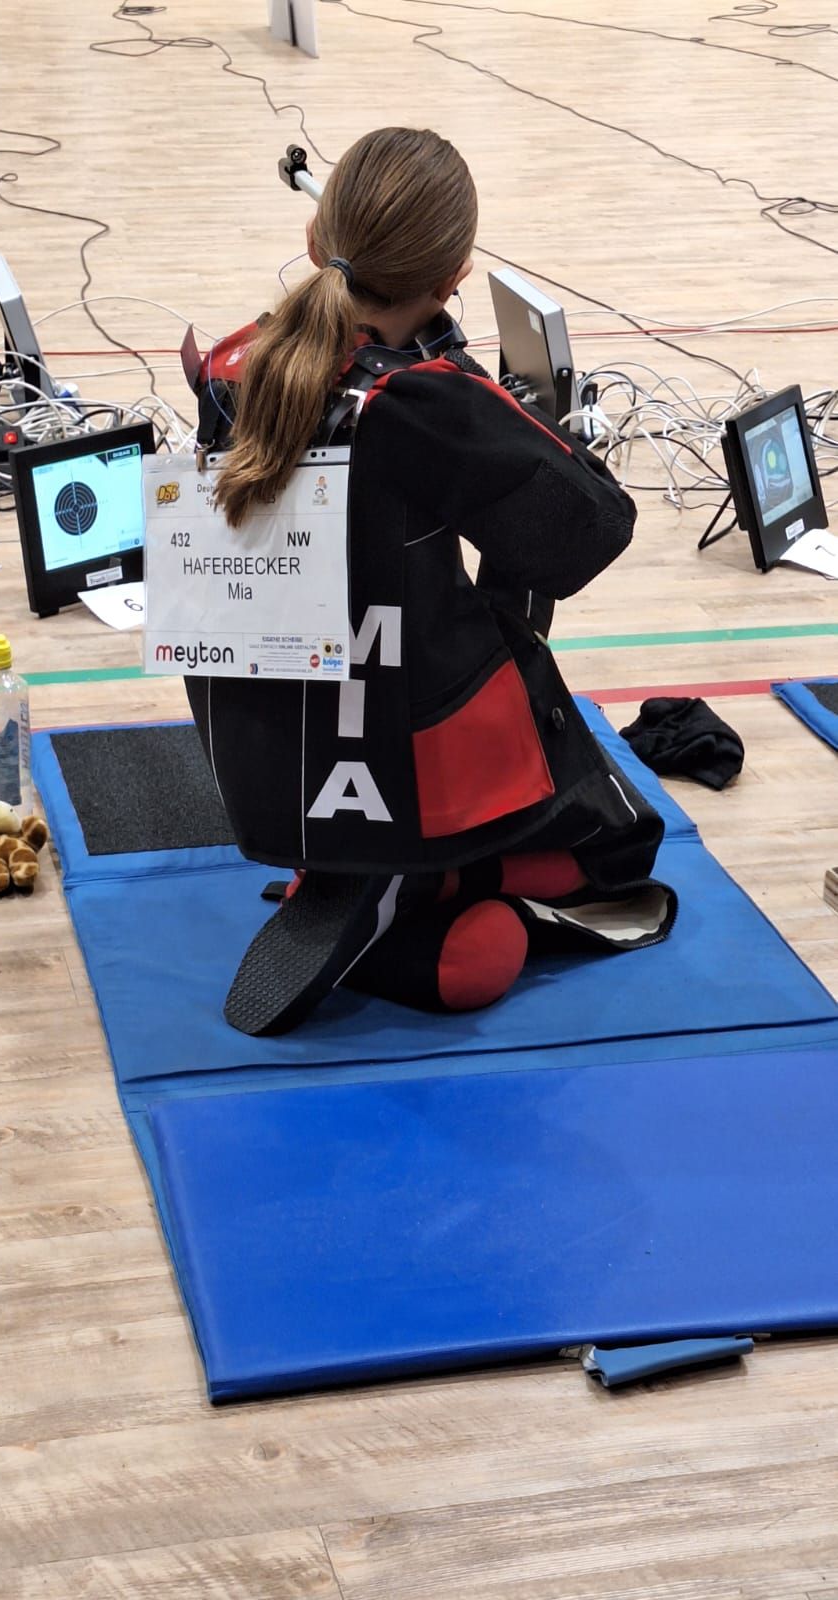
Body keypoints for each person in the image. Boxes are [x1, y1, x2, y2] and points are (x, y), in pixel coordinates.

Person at [185, 126, 674, 1036]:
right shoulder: (426, 402)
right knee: (619, 857)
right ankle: (425, 881)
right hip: (410, 770)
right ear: (454, 277)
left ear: (314, 241)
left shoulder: (232, 365)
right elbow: (591, 531)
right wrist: (482, 390)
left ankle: (373, 875)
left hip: (265, 769)